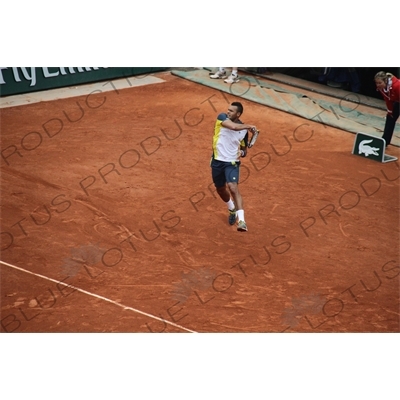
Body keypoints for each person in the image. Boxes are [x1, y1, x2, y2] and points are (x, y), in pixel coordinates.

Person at [210, 101, 257, 232]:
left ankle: (242, 221)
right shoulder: (222, 118)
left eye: (231, 111)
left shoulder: (244, 132)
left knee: (233, 187)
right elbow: (234, 127)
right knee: (220, 189)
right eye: (228, 110)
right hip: (217, 161)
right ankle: (231, 209)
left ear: (238, 114)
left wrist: (241, 152)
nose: (228, 112)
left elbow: (244, 151)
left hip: (232, 163)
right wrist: (249, 126)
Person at [374, 71, 400, 147]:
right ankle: (384, 141)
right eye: (377, 83)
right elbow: (388, 100)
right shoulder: (381, 88)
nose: (378, 85)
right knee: (390, 118)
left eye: (380, 83)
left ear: (385, 81)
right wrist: (390, 111)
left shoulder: (397, 86)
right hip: (398, 101)